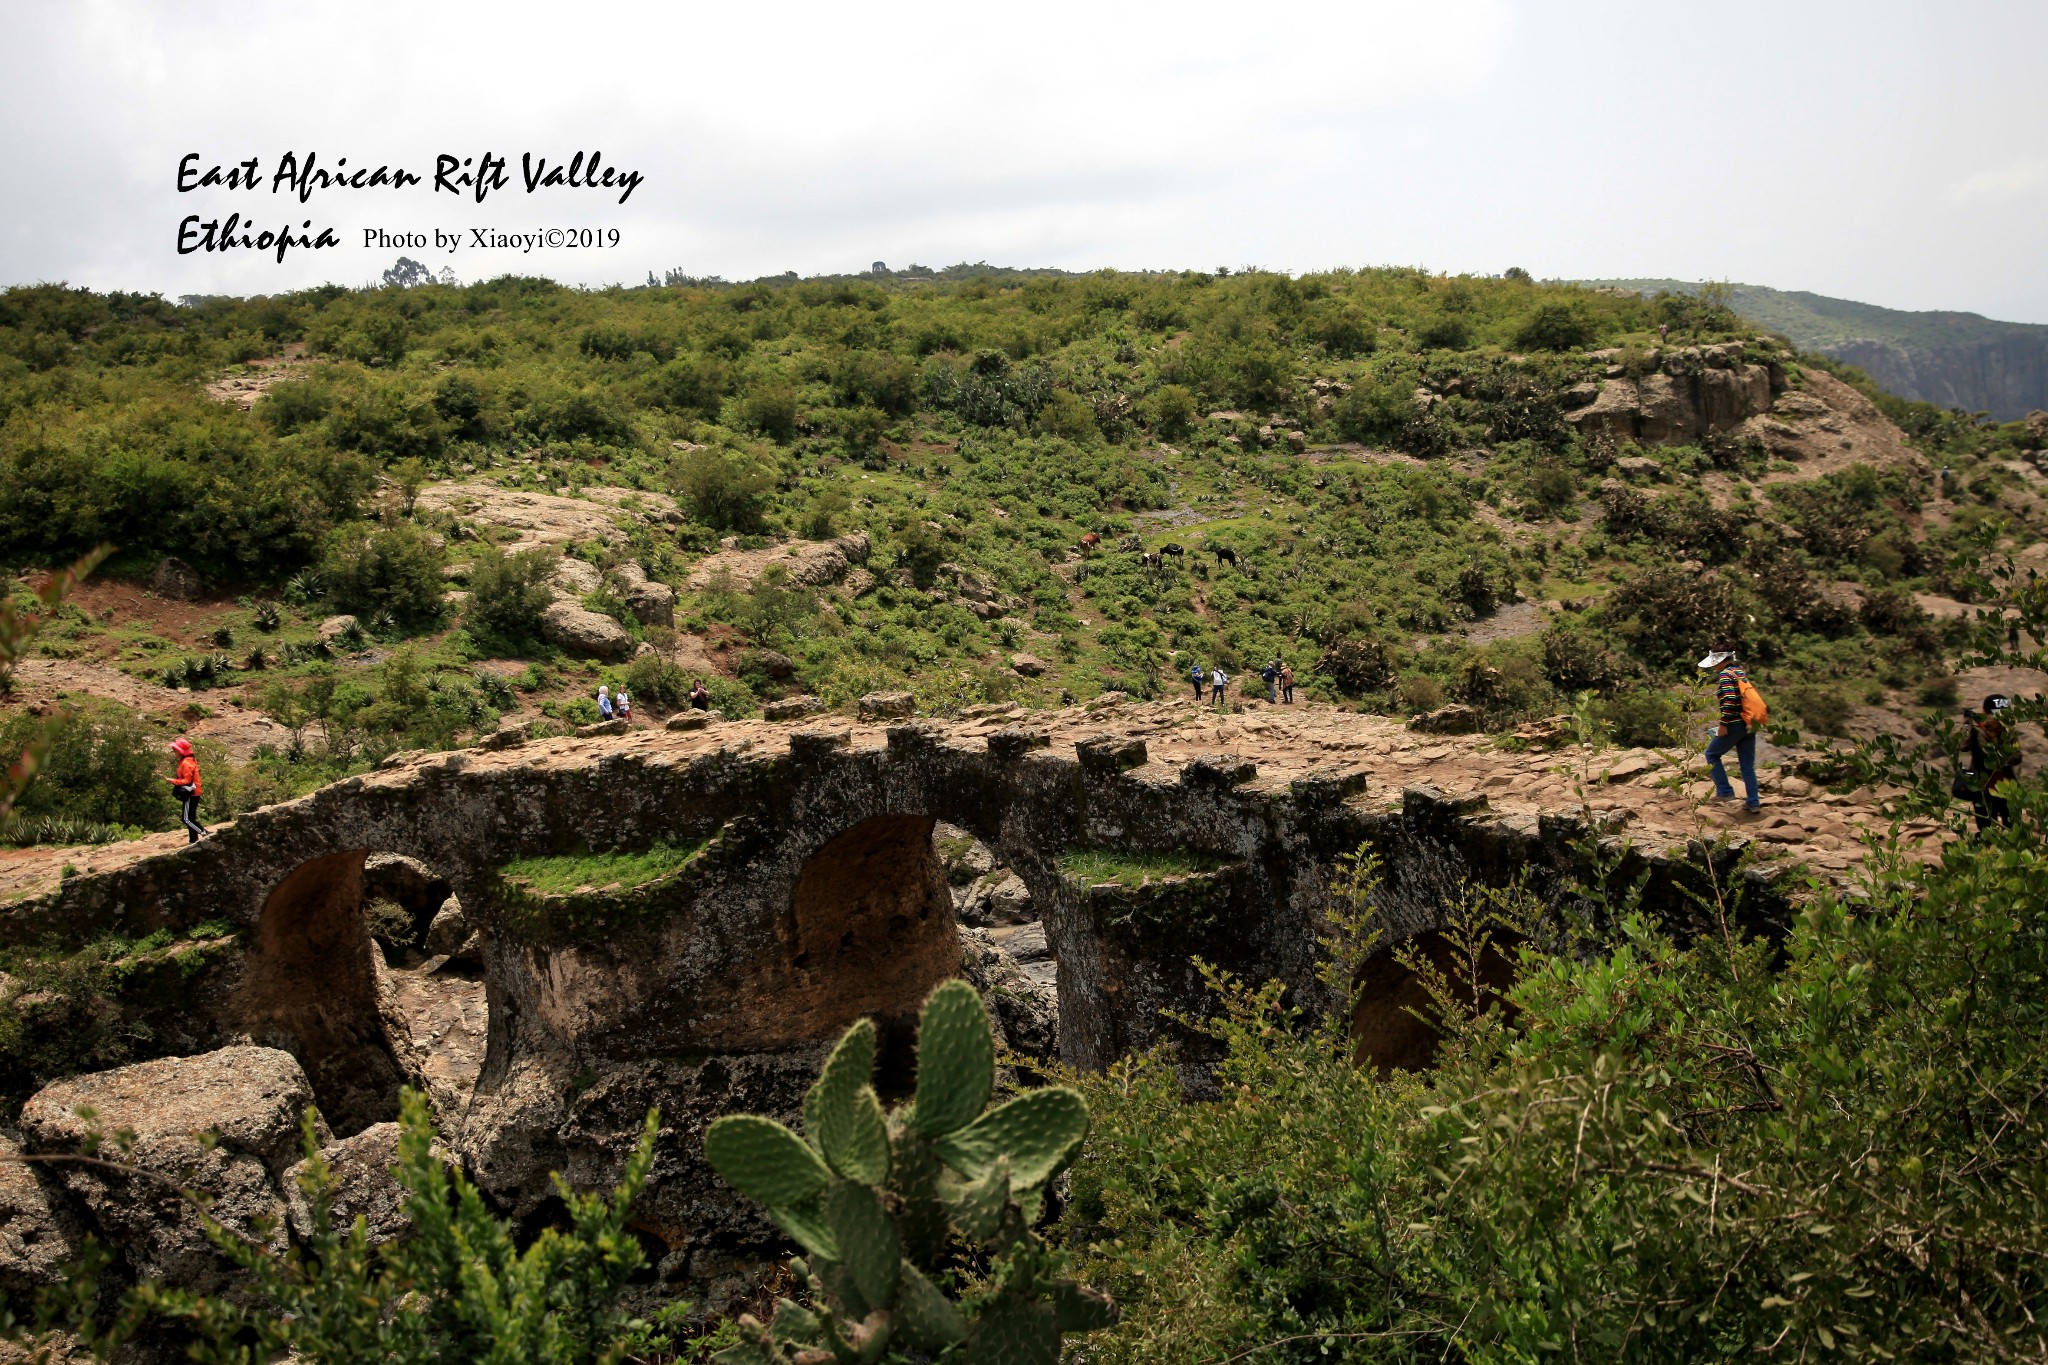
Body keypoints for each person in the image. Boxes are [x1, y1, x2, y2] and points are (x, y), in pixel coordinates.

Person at [1699, 647, 1760, 812]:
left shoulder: (1725, 675)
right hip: (1749, 723)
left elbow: (1730, 700)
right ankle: (1753, 803)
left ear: (1720, 661)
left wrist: (1724, 724)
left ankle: (1725, 791)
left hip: (1735, 724)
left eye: (1714, 663)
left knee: (1711, 754)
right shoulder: (1739, 672)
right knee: (1747, 765)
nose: (1713, 667)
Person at [1963, 693, 2020, 830]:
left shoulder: (2008, 733)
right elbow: (1963, 746)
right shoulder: (1977, 731)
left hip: (2006, 789)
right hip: (1983, 789)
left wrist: (1999, 760)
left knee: (2013, 828)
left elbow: (2017, 756)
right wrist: (1967, 724)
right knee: (1986, 831)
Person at [165, 738, 204, 844]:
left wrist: (172, 780)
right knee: (191, 817)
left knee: (186, 819)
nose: (174, 752)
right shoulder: (189, 760)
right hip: (195, 792)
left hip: (190, 793)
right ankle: (193, 840)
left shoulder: (186, 763)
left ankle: (205, 833)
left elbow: (187, 780)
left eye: (175, 750)